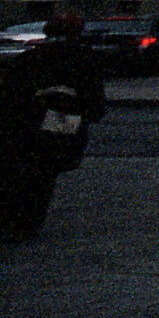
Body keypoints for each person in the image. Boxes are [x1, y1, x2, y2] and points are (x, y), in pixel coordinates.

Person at [0, 14, 107, 241]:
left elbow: (10, 91)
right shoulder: (86, 58)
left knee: (18, 173)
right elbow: (95, 101)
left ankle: (13, 219)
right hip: (65, 124)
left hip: (28, 123)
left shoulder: (32, 57)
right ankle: (28, 223)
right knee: (44, 176)